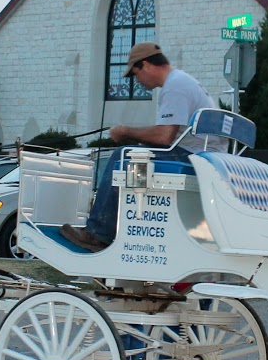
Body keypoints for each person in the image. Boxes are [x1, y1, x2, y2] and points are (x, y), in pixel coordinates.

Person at [59, 42, 216, 252]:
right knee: (132, 154)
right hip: (202, 156)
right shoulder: (183, 81)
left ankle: (98, 233)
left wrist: (125, 131)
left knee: (121, 157)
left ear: (146, 65)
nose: (138, 81)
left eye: (135, 74)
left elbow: (163, 137)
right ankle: (119, 227)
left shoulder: (174, 86)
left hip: (191, 157)